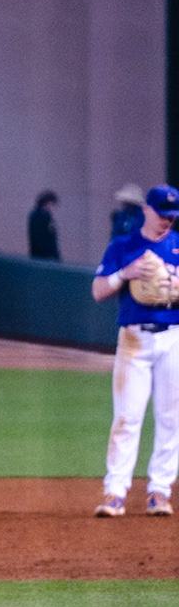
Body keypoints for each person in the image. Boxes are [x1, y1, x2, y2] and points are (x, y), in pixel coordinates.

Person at [91, 183, 179, 517]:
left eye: (172, 215)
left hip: (173, 338)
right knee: (127, 418)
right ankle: (115, 493)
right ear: (147, 210)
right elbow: (98, 290)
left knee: (171, 418)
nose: (168, 220)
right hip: (134, 340)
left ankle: (160, 492)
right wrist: (125, 274)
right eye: (162, 214)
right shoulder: (124, 245)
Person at [28, 191, 60, 261]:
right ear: (49, 203)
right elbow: (51, 239)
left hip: (35, 255)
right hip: (46, 257)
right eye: (53, 205)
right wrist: (55, 257)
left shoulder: (33, 215)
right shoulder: (46, 217)